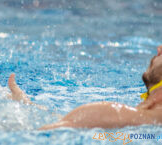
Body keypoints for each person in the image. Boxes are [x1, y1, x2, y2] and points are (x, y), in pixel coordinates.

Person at [11, 46, 162, 129]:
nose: (159, 48)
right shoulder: (136, 124)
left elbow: (35, 135)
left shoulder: (115, 113)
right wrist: (26, 104)